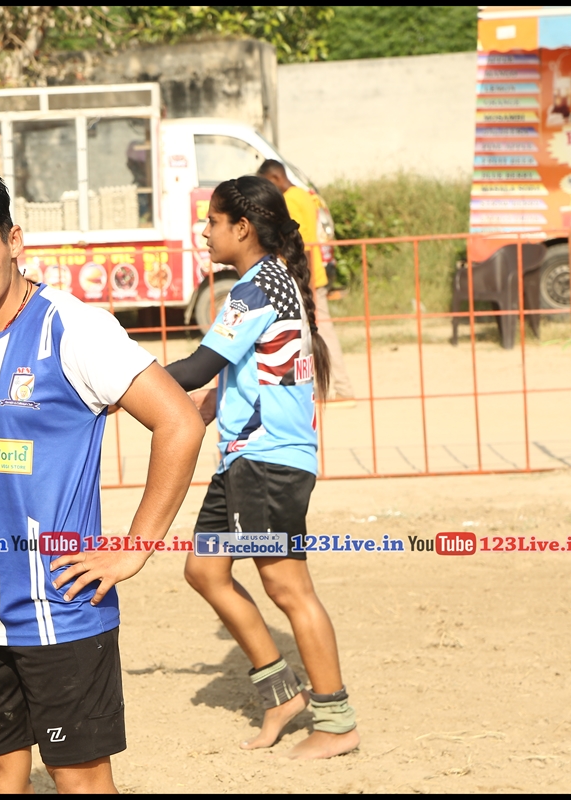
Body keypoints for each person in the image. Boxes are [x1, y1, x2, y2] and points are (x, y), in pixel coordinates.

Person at [0, 169, 205, 793]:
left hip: (61, 610)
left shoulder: (75, 328)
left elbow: (180, 423)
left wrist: (136, 546)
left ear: (14, 241)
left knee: (79, 782)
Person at [165, 174, 360, 760]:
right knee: (205, 570)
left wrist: (116, 381)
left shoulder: (256, 289)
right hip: (243, 460)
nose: (205, 232)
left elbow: (197, 367)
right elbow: (237, 372)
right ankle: (282, 694)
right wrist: (209, 403)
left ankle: (337, 721)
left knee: (288, 587)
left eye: (212, 221)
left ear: (243, 227)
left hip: (268, 461)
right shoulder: (269, 281)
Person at [257, 159, 355, 405]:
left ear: (276, 178)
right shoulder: (304, 195)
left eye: (268, 184)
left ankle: (342, 388)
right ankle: (323, 388)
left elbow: (301, 242)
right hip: (312, 273)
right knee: (311, 334)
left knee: (321, 333)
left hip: (305, 276)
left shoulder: (290, 200)